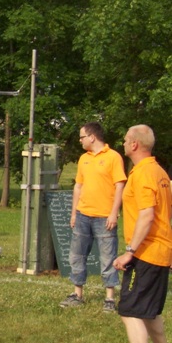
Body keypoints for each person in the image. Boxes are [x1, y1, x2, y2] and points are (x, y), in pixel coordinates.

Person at [113, 125, 172, 343]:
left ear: (135, 144)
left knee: (130, 311)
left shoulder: (144, 174)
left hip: (146, 253)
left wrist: (130, 252)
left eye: (126, 140)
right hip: (160, 251)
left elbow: (147, 216)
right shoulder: (159, 172)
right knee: (149, 311)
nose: (124, 143)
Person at [59, 122, 126, 312]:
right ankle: (77, 294)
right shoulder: (83, 159)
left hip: (104, 217)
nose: (80, 140)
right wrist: (74, 213)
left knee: (108, 257)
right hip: (83, 215)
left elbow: (119, 186)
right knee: (77, 255)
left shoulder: (113, 157)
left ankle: (109, 298)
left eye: (82, 137)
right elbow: (78, 186)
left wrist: (113, 213)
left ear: (92, 137)